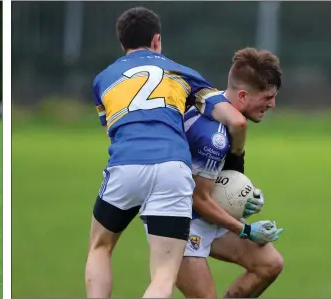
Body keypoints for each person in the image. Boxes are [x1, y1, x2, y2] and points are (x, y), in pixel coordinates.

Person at [85, 7, 252, 299]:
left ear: (122, 43)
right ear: (157, 40)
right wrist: (236, 161)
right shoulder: (183, 72)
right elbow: (236, 120)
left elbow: (112, 128)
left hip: (125, 164)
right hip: (174, 169)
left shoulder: (103, 79)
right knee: (163, 276)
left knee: (100, 247)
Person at [175, 47, 285, 298]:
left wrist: (245, 196)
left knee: (269, 264)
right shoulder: (213, 136)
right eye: (268, 97)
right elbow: (198, 199)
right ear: (244, 95)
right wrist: (245, 230)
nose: (273, 105)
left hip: (207, 215)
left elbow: (220, 177)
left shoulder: (226, 114)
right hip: (179, 222)